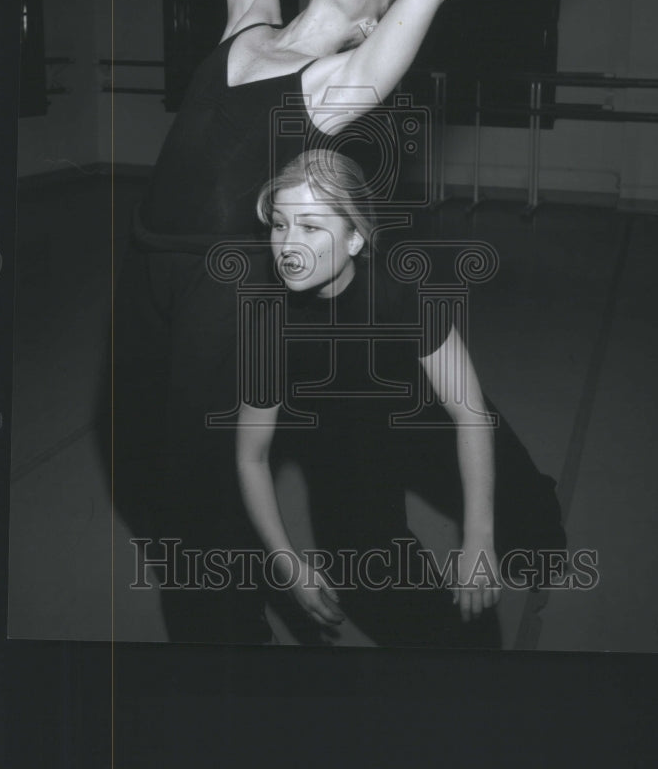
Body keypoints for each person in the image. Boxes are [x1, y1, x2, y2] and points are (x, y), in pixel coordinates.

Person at [103, 0, 567, 645]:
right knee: (141, 457)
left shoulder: (338, 86)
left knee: (209, 488)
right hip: (144, 273)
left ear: (366, 30)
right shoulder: (245, 24)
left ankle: (229, 651)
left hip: (224, 291)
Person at [235, 151, 565, 648]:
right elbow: (251, 456)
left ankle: (543, 556)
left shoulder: (402, 297)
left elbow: (469, 412)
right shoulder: (270, 327)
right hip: (349, 441)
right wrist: (286, 563)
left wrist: (478, 539)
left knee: (524, 507)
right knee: (381, 589)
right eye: (280, 226)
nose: (288, 247)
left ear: (355, 237)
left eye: (309, 227)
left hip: (426, 420)